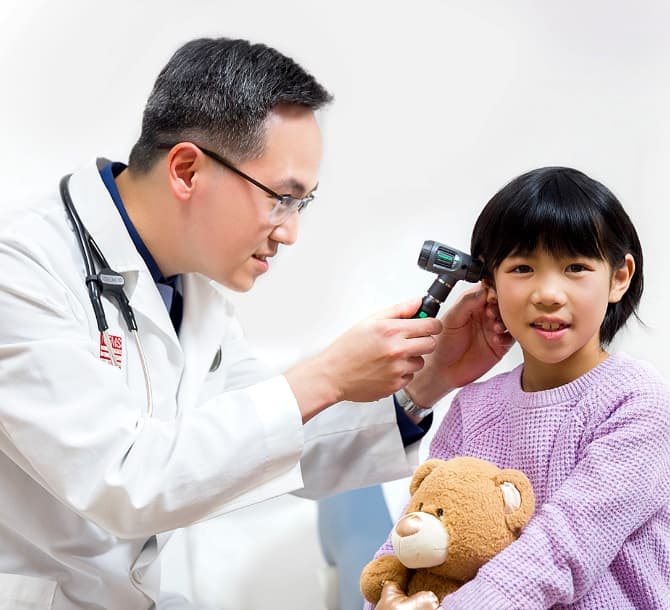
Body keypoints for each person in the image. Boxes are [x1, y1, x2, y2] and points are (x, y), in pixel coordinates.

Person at [0, 37, 511, 610]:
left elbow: (275, 452)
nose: (289, 231)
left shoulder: (193, 296)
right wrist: (326, 375)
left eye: (302, 203)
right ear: (188, 170)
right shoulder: (20, 273)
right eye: (282, 198)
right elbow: (123, 481)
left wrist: (427, 381)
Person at [368, 166, 670, 609]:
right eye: (523, 268)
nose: (549, 293)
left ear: (619, 277)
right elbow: (419, 525)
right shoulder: (474, 408)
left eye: (575, 267)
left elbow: (561, 552)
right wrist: (385, 596)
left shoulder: (637, 403)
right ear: (489, 284)